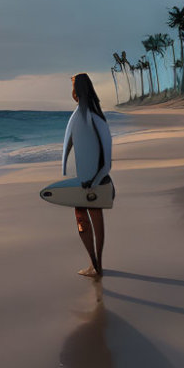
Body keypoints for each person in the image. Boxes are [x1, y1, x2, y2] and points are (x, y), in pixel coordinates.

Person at [62, 73, 112, 278]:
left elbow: (107, 160)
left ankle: (97, 264)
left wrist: (97, 180)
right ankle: (94, 263)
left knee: (90, 216)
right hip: (83, 181)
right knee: (82, 217)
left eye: (73, 86)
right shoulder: (79, 116)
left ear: (78, 90)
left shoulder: (95, 117)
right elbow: (72, 143)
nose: (72, 92)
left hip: (94, 182)